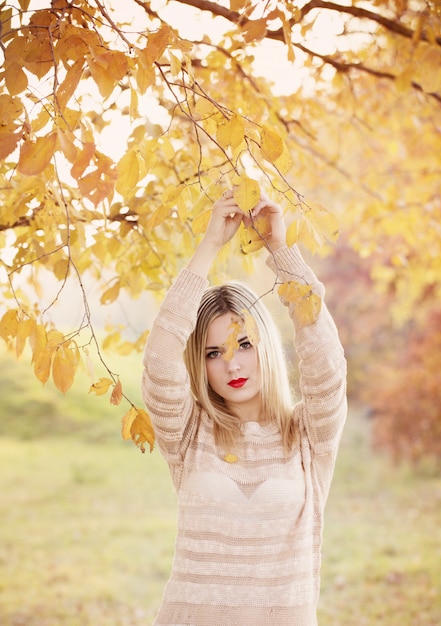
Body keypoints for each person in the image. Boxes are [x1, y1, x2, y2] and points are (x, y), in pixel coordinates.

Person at [141, 189, 347, 626]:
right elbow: (160, 359)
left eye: (244, 345)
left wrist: (281, 248)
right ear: (200, 363)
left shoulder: (309, 438)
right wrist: (210, 245)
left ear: (266, 347)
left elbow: (326, 363)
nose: (231, 363)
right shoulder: (189, 434)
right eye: (213, 353)